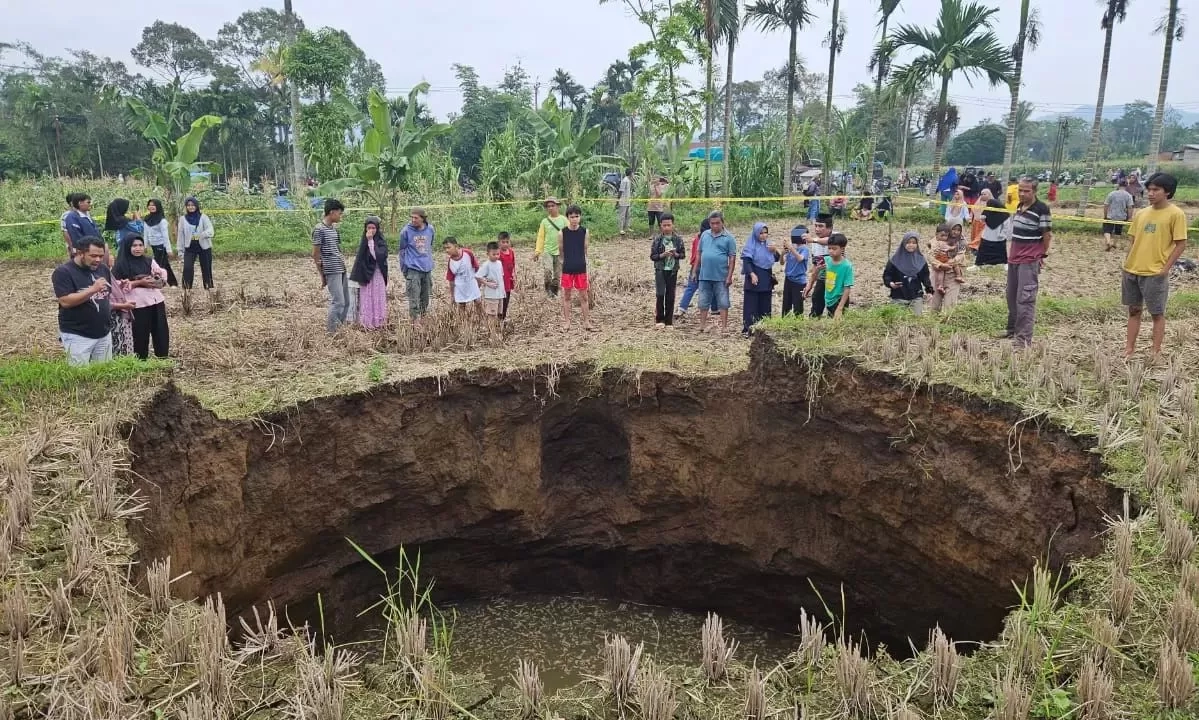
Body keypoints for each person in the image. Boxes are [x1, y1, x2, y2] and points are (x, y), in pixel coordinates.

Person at [1122, 173, 1188, 359]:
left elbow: (1181, 243)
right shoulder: (1141, 213)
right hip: (1132, 270)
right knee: (1133, 310)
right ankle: (1129, 348)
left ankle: (1155, 351)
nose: (1150, 193)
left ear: (1167, 192)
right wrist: (1127, 263)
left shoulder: (1176, 214)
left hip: (1154, 273)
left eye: (1155, 190)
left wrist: (1165, 269)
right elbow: (1132, 240)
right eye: (1149, 189)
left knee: (1156, 313)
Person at [1002, 178, 1052, 349]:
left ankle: (1023, 339)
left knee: (1025, 299)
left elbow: (1047, 235)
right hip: (1014, 258)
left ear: (1034, 191)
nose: (1022, 194)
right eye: (1020, 190)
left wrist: (1041, 254)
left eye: (1026, 191)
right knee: (1011, 295)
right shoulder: (1019, 207)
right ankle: (1012, 329)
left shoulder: (1042, 209)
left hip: (1028, 260)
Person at [53, 236, 115, 365]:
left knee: (103, 374)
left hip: (103, 333)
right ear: (80, 253)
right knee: (80, 376)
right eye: (93, 256)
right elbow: (65, 301)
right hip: (78, 335)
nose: (97, 260)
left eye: (101, 256)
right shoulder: (64, 272)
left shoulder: (103, 269)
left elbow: (106, 296)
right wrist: (93, 289)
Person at [111, 234, 169, 359]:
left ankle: (163, 359)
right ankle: (141, 361)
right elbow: (115, 286)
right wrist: (138, 282)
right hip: (137, 305)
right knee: (140, 334)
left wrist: (157, 278)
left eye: (140, 245)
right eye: (134, 245)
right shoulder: (120, 265)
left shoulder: (148, 261)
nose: (138, 248)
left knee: (161, 332)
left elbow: (161, 278)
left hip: (156, 301)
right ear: (127, 247)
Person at [695, 211, 737, 334]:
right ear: (709, 223)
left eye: (717, 223)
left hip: (721, 276)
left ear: (722, 222)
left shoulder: (729, 238)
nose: (715, 226)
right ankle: (702, 325)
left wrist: (729, 276)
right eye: (712, 223)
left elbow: (732, 258)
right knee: (703, 301)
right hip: (704, 275)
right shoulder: (704, 235)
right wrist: (694, 271)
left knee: (723, 302)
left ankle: (724, 327)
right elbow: (699, 253)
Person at [312, 199, 348, 334]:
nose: (340, 216)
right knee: (338, 301)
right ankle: (332, 332)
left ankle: (340, 328)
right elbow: (315, 253)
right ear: (331, 212)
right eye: (339, 213)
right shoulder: (319, 229)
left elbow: (337, 249)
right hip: (331, 269)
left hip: (341, 267)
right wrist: (322, 273)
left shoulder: (334, 229)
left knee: (346, 302)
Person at [349, 216, 389, 330]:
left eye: (373, 228)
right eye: (369, 228)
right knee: (367, 297)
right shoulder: (363, 241)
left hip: (377, 274)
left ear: (377, 229)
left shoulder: (380, 241)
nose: (371, 230)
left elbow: (378, 256)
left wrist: (371, 241)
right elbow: (360, 259)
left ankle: (378, 322)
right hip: (366, 274)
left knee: (378, 297)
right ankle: (367, 323)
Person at [558, 204, 593, 331]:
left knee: (584, 296)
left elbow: (585, 249)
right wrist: (563, 262)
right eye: (571, 217)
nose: (574, 219)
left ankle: (586, 322)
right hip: (567, 268)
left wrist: (585, 262)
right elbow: (561, 250)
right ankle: (567, 322)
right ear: (567, 217)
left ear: (580, 217)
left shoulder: (585, 232)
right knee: (566, 296)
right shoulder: (562, 233)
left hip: (581, 268)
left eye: (577, 216)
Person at [740, 222, 778, 335]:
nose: (763, 235)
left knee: (765, 305)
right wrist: (752, 274)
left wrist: (775, 250)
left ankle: (763, 329)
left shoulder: (769, 245)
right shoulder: (750, 245)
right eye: (761, 233)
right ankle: (749, 329)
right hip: (754, 279)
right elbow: (746, 262)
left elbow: (776, 258)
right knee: (751, 305)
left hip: (766, 278)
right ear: (756, 233)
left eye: (765, 233)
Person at [399, 207, 435, 324]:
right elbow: (402, 251)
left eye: (416, 218)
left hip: (427, 268)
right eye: (412, 217)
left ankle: (423, 319)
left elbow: (430, 245)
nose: (413, 220)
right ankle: (415, 322)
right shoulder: (406, 231)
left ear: (423, 219)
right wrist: (404, 269)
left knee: (425, 297)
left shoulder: (430, 229)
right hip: (413, 268)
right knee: (414, 298)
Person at [884, 231, 934, 315]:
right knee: (898, 321)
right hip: (898, 296)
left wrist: (929, 291)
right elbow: (887, 275)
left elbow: (925, 277)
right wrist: (891, 284)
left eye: (914, 243)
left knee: (916, 320)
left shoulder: (920, 260)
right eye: (908, 242)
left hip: (916, 295)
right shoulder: (894, 260)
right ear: (903, 243)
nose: (911, 245)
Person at [650, 213, 685, 328]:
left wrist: (675, 254)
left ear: (673, 225)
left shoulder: (678, 239)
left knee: (670, 295)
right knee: (660, 294)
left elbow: (683, 255)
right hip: (660, 270)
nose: (666, 228)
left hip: (673, 270)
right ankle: (659, 319)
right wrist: (662, 255)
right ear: (660, 225)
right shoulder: (657, 239)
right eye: (664, 225)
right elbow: (653, 256)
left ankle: (669, 320)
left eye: (669, 225)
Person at [807, 233, 852, 318]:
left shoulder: (847, 266)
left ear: (842, 249)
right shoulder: (826, 260)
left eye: (834, 249)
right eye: (829, 248)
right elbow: (815, 275)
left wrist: (840, 308)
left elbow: (847, 288)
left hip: (839, 299)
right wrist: (817, 270)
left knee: (837, 324)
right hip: (828, 297)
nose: (831, 251)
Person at [177, 197, 215, 290]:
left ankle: (208, 288)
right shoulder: (183, 219)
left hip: (203, 246)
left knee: (206, 268)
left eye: (193, 205)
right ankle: (186, 288)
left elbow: (211, 230)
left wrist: (202, 234)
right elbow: (180, 235)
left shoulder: (203, 217)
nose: (191, 207)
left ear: (196, 206)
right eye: (188, 205)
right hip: (190, 246)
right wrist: (180, 250)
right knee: (187, 268)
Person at [534, 197, 567, 297]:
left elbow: (569, 234)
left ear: (558, 206)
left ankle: (554, 291)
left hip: (560, 251)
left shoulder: (564, 220)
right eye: (548, 206)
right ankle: (547, 289)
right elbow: (541, 237)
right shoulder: (545, 222)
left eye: (553, 206)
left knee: (557, 274)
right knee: (547, 271)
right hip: (548, 250)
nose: (551, 208)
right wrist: (537, 251)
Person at [676, 218, 709, 319]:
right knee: (710, 287)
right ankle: (713, 309)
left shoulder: (697, 238)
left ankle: (682, 308)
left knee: (690, 288)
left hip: (695, 265)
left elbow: (694, 254)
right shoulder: (709, 239)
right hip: (706, 266)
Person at [928, 223, 965, 313]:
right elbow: (930, 256)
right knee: (934, 306)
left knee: (950, 306)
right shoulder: (936, 240)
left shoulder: (961, 242)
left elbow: (960, 256)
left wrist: (950, 262)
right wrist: (940, 265)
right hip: (937, 274)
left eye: (958, 230)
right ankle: (932, 325)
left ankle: (946, 323)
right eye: (953, 229)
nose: (955, 232)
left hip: (952, 276)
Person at [804, 214, 834, 318]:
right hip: (822, 279)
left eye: (821, 226)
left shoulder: (837, 236)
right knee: (815, 307)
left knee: (835, 311)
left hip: (836, 281)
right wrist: (810, 284)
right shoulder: (814, 244)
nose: (817, 229)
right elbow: (815, 266)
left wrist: (813, 240)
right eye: (816, 226)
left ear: (830, 228)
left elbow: (830, 241)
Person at [475, 241, 507, 337]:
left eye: (498, 254)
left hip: (500, 293)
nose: (496, 256)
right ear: (488, 254)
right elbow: (478, 276)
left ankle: (496, 331)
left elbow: (501, 276)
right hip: (491, 294)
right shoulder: (486, 265)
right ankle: (491, 333)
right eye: (494, 254)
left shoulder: (499, 263)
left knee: (499, 313)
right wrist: (487, 283)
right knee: (491, 315)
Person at [142, 199, 177, 287]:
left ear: (158, 207)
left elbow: (165, 237)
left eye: (154, 205)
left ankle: (163, 283)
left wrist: (168, 250)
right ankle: (171, 283)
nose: (151, 207)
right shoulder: (147, 219)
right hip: (153, 245)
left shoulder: (162, 221)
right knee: (164, 264)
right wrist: (145, 246)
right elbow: (145, 234)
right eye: (150, 205)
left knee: (160, 264)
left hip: (161, 245)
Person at [443, 237, 481, 313]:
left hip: (471, 283)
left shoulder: (468, 253)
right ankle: (462, 322)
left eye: (449, 247)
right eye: (445, 248)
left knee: (478, 302)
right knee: (461, 306)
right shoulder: (451, 262)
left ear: (456, 246)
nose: (447, 250)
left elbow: (476, 267)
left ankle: (482, 321)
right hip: (460, 287)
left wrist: (478, 282)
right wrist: (453, 296)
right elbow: (451, 280)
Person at [781, 225, 810, 317]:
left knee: (798, 305)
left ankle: (798, 322)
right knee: (786, 303)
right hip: (788, 279)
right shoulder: (791, 248)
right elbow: (782, 262)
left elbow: (800, 259)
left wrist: (791, 248)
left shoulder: (805, 249)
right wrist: (782, 253)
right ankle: (784, 320)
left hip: (799, 281)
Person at [975, 192, 1011, 267]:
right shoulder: (988, 211)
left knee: (1001, 252)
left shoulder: (1004, 215)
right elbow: (981, 218)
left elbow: (1007, 227)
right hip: (987, 236)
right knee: (983, 251)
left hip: (999, 237)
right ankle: (979, 264)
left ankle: (1004, 264)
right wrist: (982, 218)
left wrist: (1002, 234)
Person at [63, 193, 100, 260]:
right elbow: (76, 237)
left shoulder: (87, 215)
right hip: (87, 252)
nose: (90, 204)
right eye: (88, 202)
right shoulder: (72, 217)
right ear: (80, 203)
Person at [1103, 179, 1135, 251]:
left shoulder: (1111, 194)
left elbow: (1106, 205)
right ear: (1126, 186)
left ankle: (1108, 242)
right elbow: (1130, 207)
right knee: (1118, 230)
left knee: (1107, 230)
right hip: (1121, 216)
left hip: (1110, 216)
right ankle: (1114, 244)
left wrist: (1105, 215)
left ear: (1118, 185)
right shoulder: (1128, 195)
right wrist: (1130, 217)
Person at [497, 232, 516, 320]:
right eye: (503, 242)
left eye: (507, 242)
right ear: (499, 243)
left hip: (508, 280)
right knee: (500, 300)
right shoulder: (497, 254)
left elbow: (513, 265)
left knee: (506, 299)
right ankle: (498, 317)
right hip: (500, 281)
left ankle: (503, 317)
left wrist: (514, 276)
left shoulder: (511, 252)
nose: (505, 244)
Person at [617, 169, 634, 236]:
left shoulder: (629, 181)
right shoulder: (624, 181)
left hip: (627, 201)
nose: (633, 175)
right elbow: (621, 191)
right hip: (623, 201)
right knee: (622, 215)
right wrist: (618, 200)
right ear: (630, 174)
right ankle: (621, 229)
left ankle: (627, 227)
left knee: (628, 215)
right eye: (633, 174)